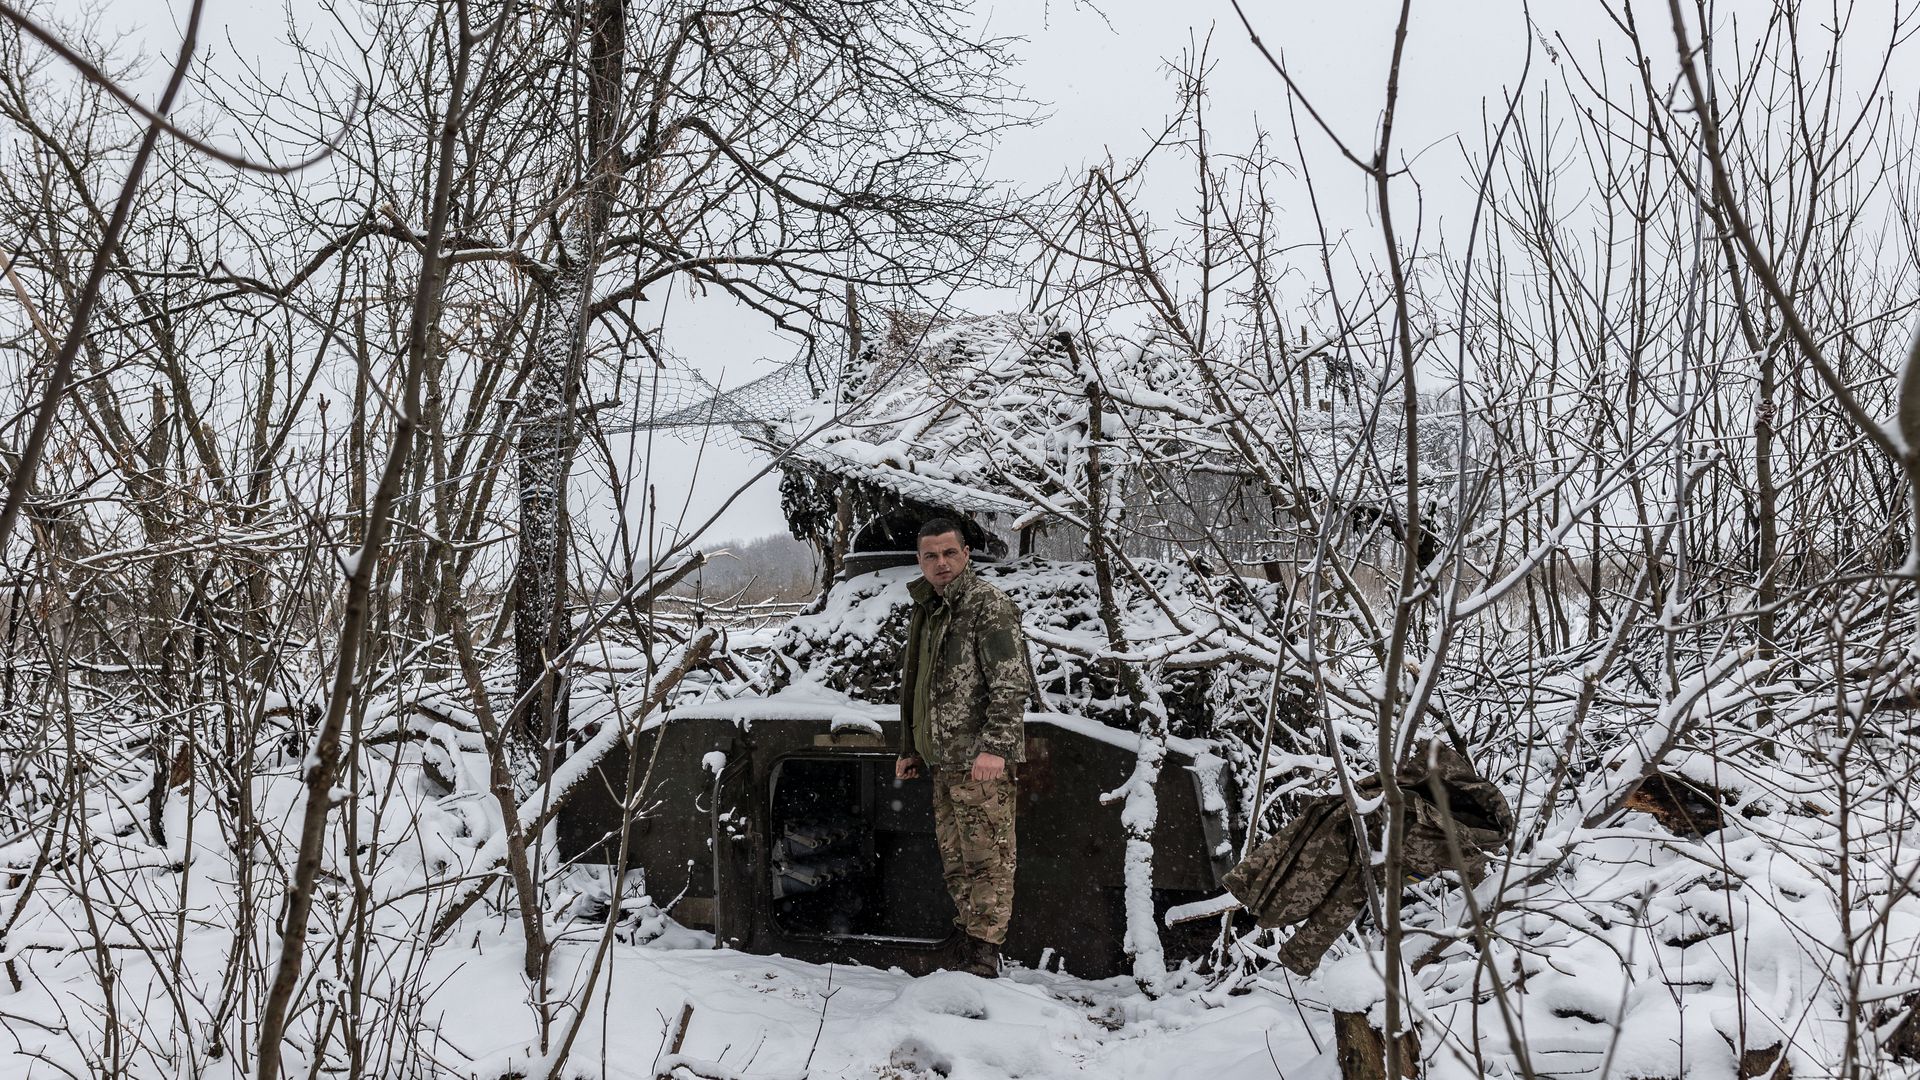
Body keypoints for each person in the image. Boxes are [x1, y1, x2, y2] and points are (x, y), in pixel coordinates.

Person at [895, 517, 1033, 977]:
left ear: (966, 554)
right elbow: (914, 688)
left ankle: (984, 954)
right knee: (957, 861)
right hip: (943, 762)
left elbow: (1011, 686)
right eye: (931, 555)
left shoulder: (987, 605)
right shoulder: (927, 609)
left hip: (979, 762)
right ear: (920, 560)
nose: (941, 563)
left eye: (949, 553)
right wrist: (909, 748)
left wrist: (994, 748)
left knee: (989, 859)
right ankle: (970, 939)